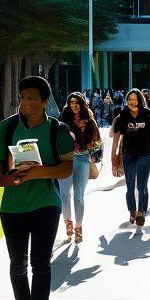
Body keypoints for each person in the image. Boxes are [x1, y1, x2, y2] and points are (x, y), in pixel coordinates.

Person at [0, 76, 74, 300]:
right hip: (13, 206)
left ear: (45, 101)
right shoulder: (6, 127)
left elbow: (66, 168)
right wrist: (12, 177)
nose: (26, 103)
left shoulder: (57, 130)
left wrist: (37, 173)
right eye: (22, 97)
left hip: (46, 203)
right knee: (17, 264)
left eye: (32, 98)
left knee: (41, 263)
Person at [111, 89, 150, 227]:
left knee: (142, 186)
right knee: (130, 187)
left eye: (135, 99)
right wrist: (115, 160)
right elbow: (115, 139)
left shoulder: (147, 114)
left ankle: (141, 213)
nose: (132, 102)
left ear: (140, 100)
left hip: (145, 154)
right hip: (128, 154)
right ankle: (132, 211)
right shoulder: (122, 115)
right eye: (130, 99)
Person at [57, 91, 99, 244]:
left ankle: (79, 227)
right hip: (65, 160)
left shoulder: (89, 121)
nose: (74, 105)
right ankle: (68, 224)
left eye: (77, 102)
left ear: (82, 104)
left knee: (79, 196)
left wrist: (91, 149)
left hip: (82, 159)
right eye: (71, 102)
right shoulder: (62, 120)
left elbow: (97, 142)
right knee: (64, 193)